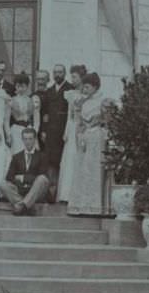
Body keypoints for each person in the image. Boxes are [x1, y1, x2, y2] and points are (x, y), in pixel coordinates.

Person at [67, 72, 106, 216]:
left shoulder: (102, 101)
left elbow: (106, 120)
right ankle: (81, 204)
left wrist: (98, 121)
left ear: (95, 87)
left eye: (88, 87)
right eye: (84, 87)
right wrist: (80, 135)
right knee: (83, 169)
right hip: (85, 138)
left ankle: (94, 205)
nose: (85, 90)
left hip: (96, 137)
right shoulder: (83, 102)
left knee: (93, 169)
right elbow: (79, 122)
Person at [0, 128, 50, 215]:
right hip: (20, 190)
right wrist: (19, 182)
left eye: (30, 139)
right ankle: (26, 206)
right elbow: (9, 176)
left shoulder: (42, 156)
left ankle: (20, 206)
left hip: (36, 192)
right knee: (2, 184)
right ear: (22, 140)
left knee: (42, 179)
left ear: (35, 139)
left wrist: (23, 178)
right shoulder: (16, 157)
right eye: (25, 139)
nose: (28, 142)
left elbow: (43, 175)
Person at [42, 64, 74, 198]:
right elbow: (44, 114)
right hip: (50, 133)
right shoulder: (49, 91)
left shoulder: (70, 90)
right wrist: (43, 130)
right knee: (51, 162)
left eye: (60, 72)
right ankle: (51, 193)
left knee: (63, 161)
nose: (57, 75)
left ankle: (62, 192)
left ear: (64, 73)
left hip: (64, 132)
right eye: (55, 72)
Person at [57, 64, 87, 203]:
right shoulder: (71, 94)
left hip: (83, 128)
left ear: (81, 78)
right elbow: (69, 115)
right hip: (72, 126)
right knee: (69, 159)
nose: (72, 80)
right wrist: (66, 132)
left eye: (74, 77)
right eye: (72, 77)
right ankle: (66, 194)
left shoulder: (87, 94)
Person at [7, 73, 40, 155]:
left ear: (27, 86)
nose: (21, 89)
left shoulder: (32, 100)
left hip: (29, 129)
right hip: (16, 130)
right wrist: (8, 134)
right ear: (15, 86)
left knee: (30, 153)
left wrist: (35, 132)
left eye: (23, 86)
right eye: (18, 86)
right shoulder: (11, 101)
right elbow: (6, 121)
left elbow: (37, 119)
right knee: (17, 152)